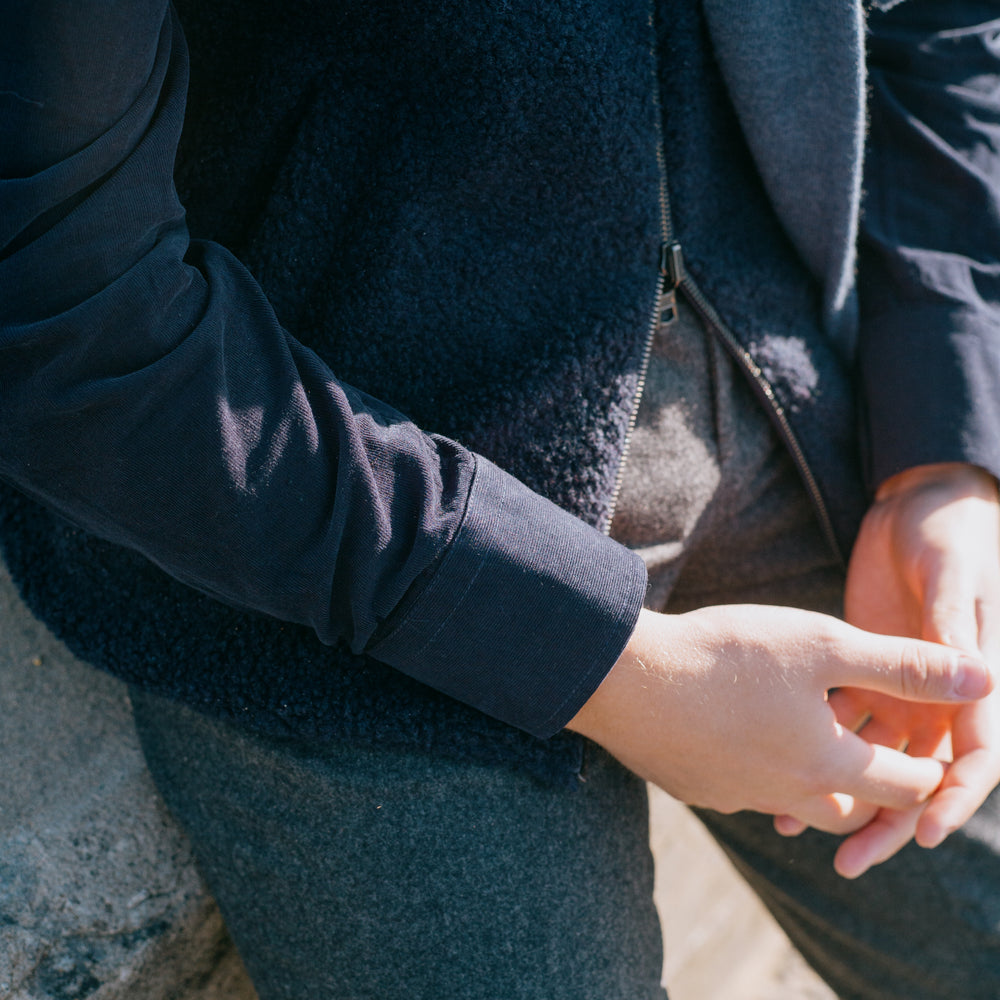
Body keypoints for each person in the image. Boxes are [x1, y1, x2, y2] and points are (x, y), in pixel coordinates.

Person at [2, 1, 999, 997]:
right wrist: (588, 654)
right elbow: (71, 313)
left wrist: (945, 439)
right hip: (333, 554)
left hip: (798, 395)